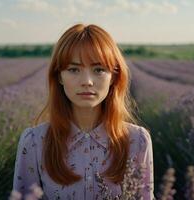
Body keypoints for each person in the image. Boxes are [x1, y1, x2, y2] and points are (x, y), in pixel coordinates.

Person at [13, 23, 154, 200]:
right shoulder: (34, 141)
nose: (87, 81)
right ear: (59, 77)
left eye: (99, 70)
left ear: (114, 77)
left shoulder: (137, 140)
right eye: (74, 69)